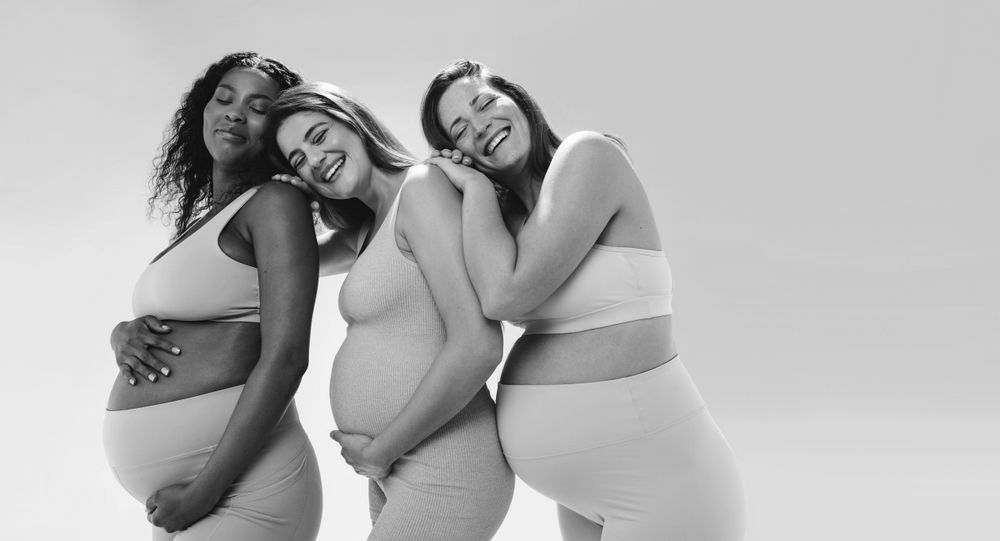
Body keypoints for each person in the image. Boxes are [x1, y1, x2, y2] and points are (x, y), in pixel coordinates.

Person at [421, 59, 745, 541]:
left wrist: (471, 187)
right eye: (461, 130)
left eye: (485, 103)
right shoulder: (503, 221)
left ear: (517, 98)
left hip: (662, 474)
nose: (481, 127)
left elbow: (505, 296)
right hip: (585, 491)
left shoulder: (589, 155)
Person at [266, 82, 513, 540]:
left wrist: (383, 449)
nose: (315, 159)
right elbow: (276, 263)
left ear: (353, 122)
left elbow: (479, 344)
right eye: (299, 159)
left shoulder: (421, 188)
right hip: (395, 467)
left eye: (318, 136)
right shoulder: (362, 231)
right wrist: (289, 204)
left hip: (446, 463)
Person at [104, 52, 322, 540]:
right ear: (202, 110)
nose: (234, 112)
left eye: (258, 106)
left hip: (242, 491)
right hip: (189, 498)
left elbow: (286, 357)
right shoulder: (208, 222)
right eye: (224, 98)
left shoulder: (275, 203)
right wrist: (120, 334)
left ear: (279, 130)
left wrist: (204, 492)